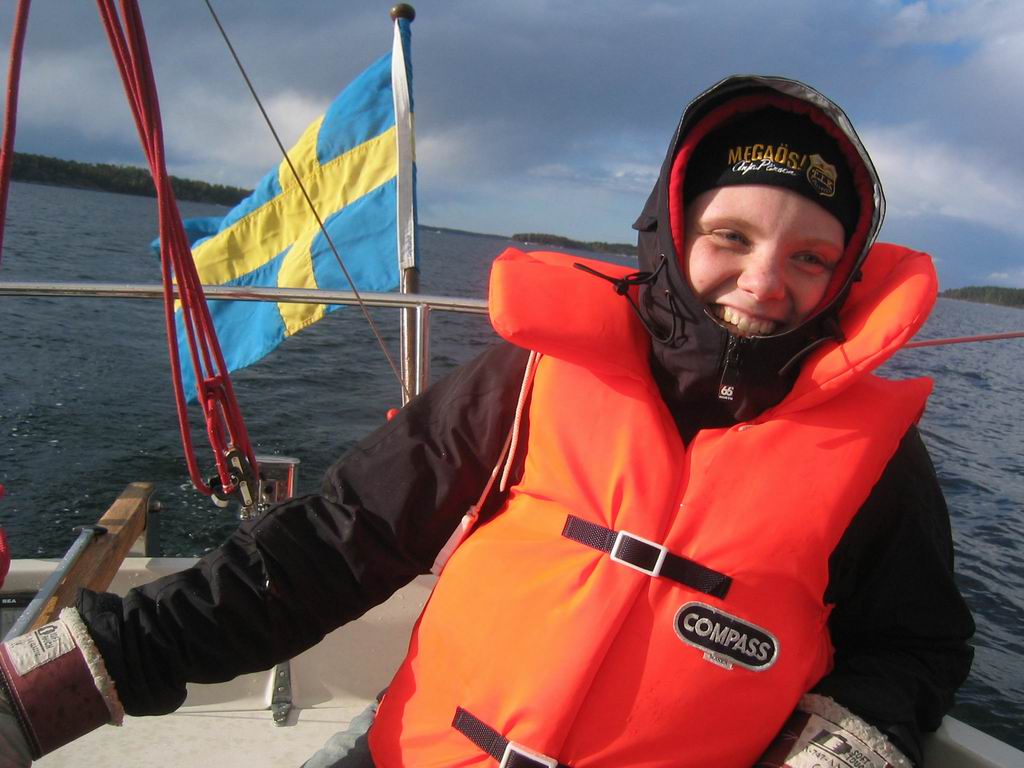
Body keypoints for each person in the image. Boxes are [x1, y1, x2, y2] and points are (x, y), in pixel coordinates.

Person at [0, 75, 974, 767]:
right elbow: (334, 545)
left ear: (845, 277)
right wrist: (76, 675)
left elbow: (916, 646)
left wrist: (848, 746)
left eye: (810, 258)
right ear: (672, 232)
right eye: (731, 236)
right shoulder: (534, 373)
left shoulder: (877, 460)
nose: (763, 283)